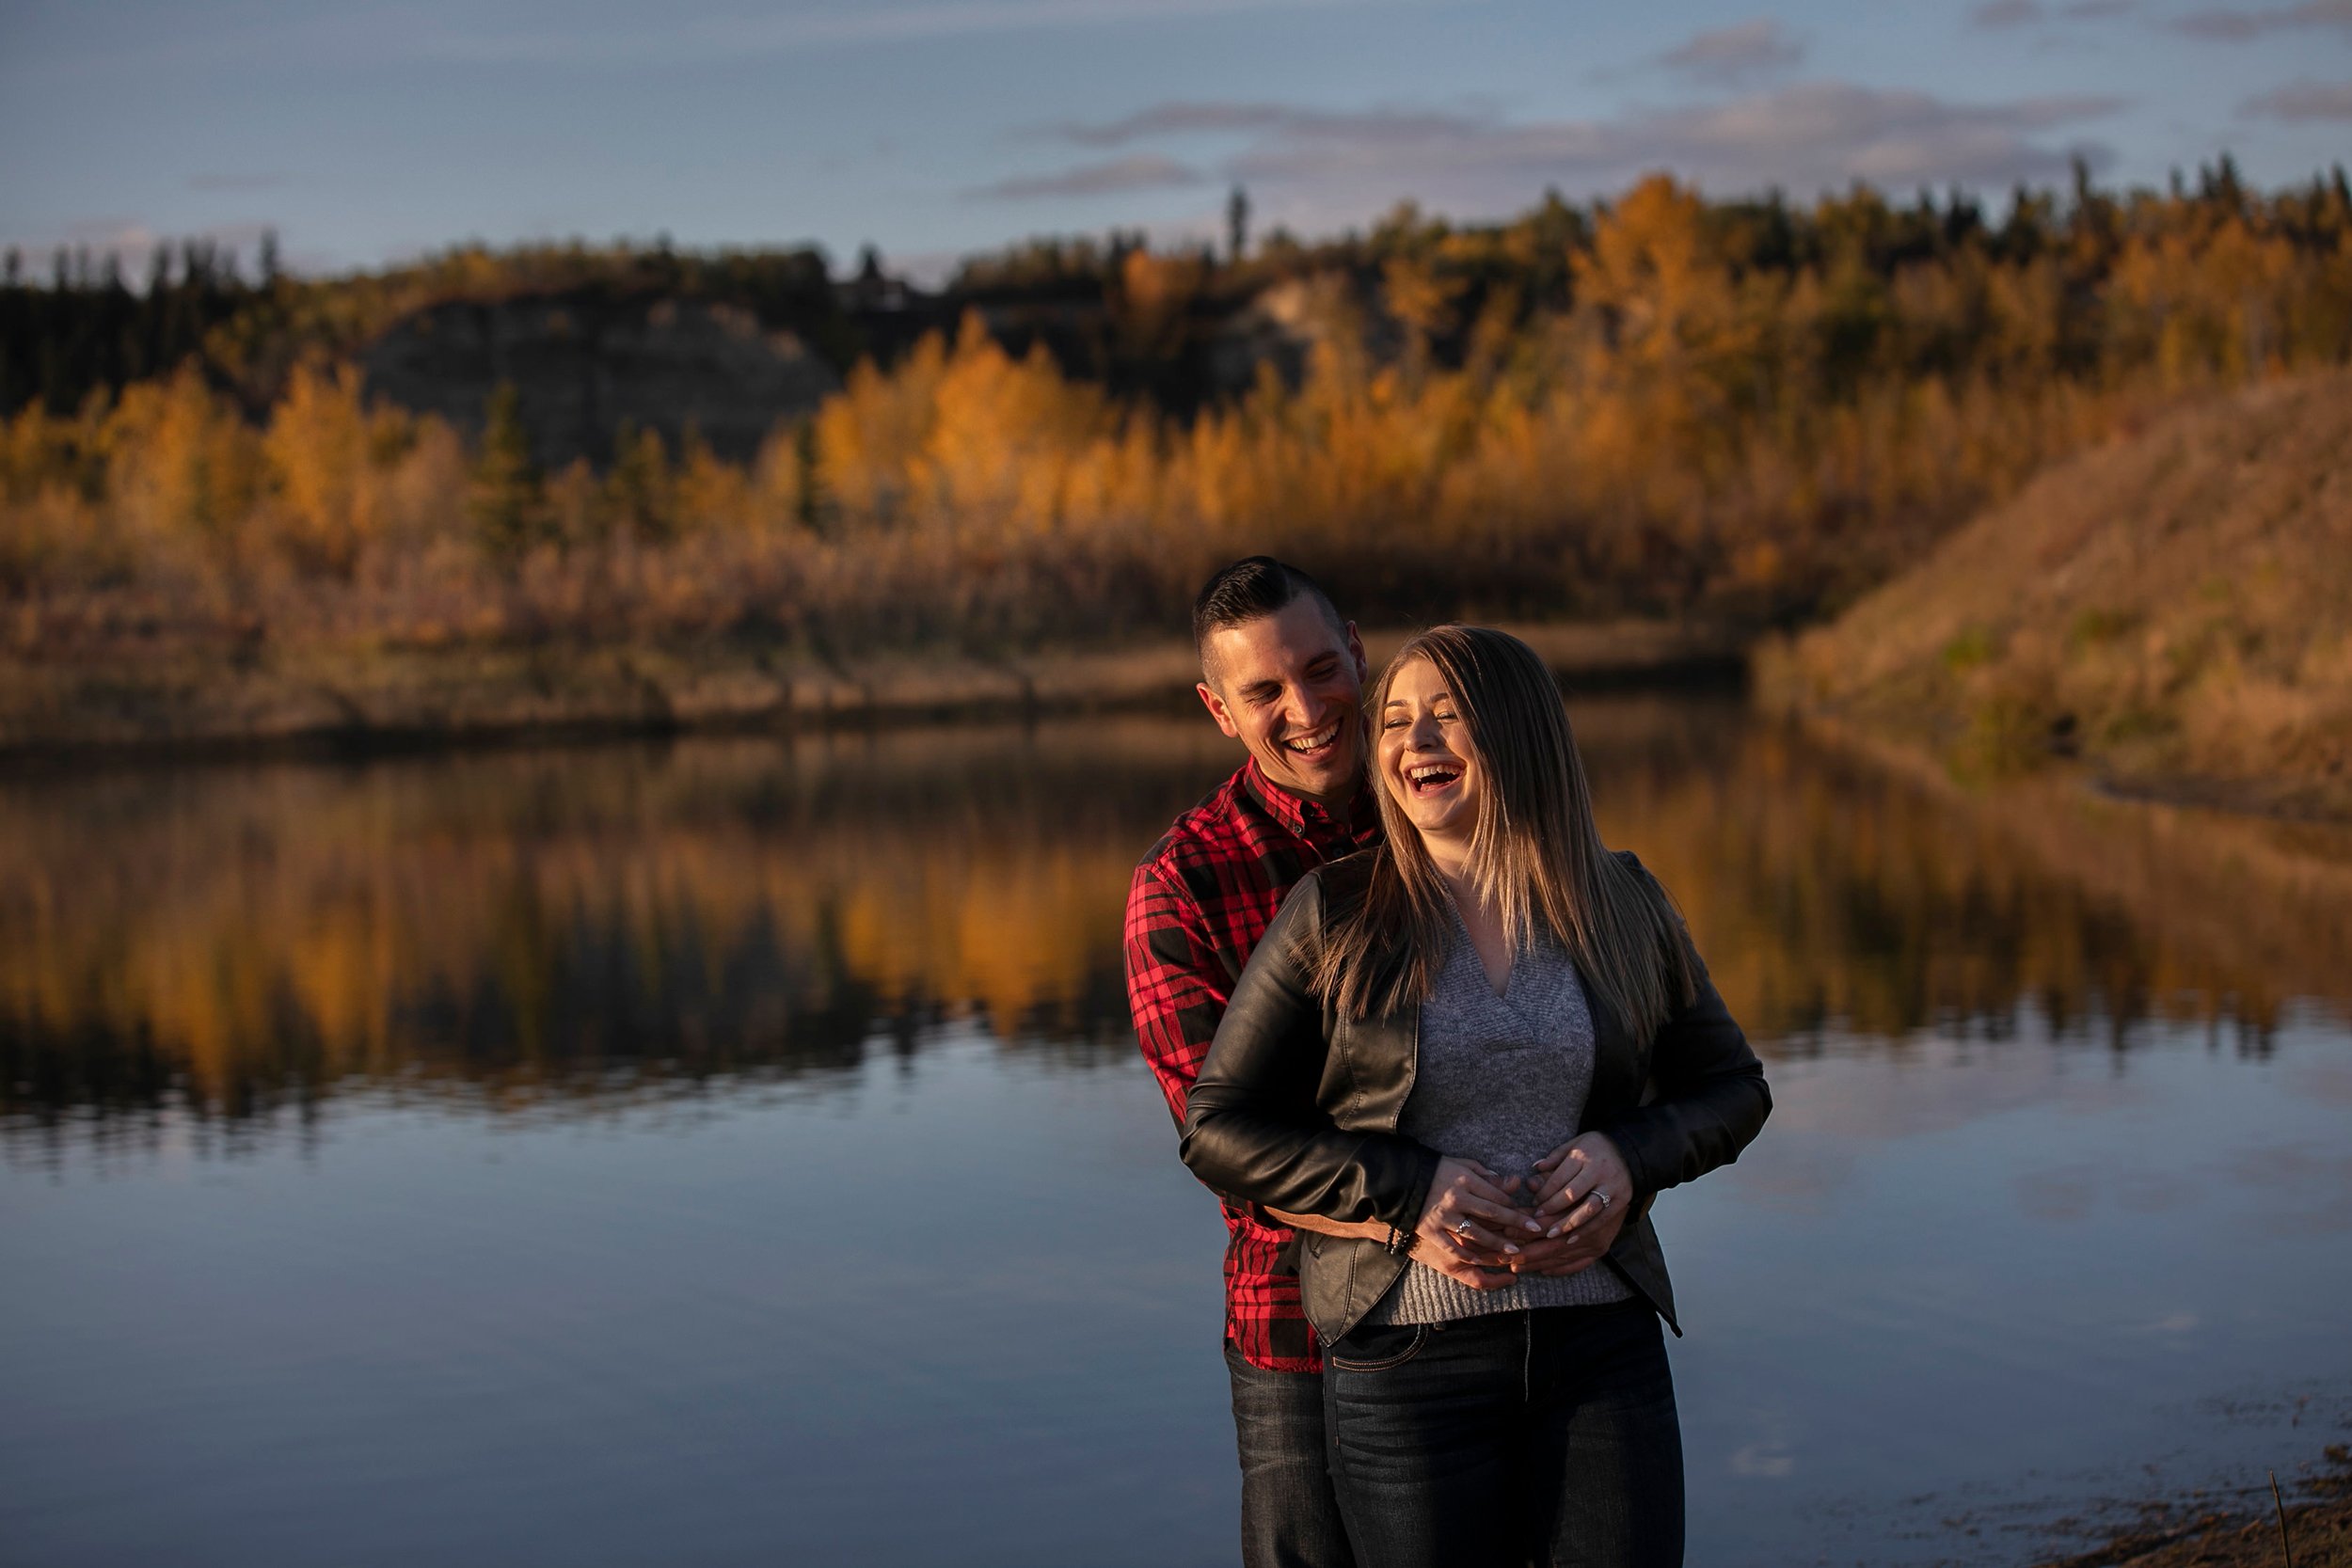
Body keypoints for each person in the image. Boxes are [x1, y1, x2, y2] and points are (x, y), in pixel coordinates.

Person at [1181, 625, 1772, 1568]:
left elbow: (1731, 1089)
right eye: (1398, 720)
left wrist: (1628, 1155)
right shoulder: (1334, 910)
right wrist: (1407, 1189)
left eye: (1447, 719)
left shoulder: (1621, 898)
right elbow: (1217, 1127)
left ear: (1519, 735)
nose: (1413, 742)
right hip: (1409, 1362)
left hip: (1601, 1342)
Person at [1123, 557, 1379, 1568]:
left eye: (1321, 668)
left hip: (1492, 1311)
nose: (1306, 708)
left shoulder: (1447, 820)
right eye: (1265, 690)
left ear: (1357, 651)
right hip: (1299, 1329)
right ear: (1217, 708)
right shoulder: (1181, 883)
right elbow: (1232, 1148)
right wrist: (1435, 1204)